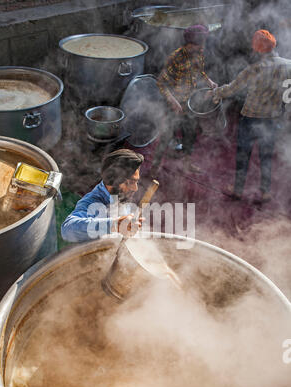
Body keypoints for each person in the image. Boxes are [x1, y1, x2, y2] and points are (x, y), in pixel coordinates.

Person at [211, 29, 291, 202]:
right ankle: (265, 192)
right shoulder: (288, 65)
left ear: (256, 49)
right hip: (271, 119)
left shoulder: (253, 69)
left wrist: (216, 92)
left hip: (250, 118)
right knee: (266, 156)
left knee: (243, 154)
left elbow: (232, 88)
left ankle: (238, 190)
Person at [156, 24, 217, 164]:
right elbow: (161, 83)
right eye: (199, 45)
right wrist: (173, 101)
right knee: (167, 134)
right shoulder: (175, 58)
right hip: (174, 103)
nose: (202, 48)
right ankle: (155, 166)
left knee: (190, 132)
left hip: (190, 101)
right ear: (190, 44)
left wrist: (209, 82)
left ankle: (187, 163)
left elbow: (200, 72)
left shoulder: (199, 53)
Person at [61, 149, 144, 243]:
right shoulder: (93, 201)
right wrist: (115, 225)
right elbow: (67, 230)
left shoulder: (119, 196)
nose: (135, 188)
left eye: (136, 182)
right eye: (131, 182)